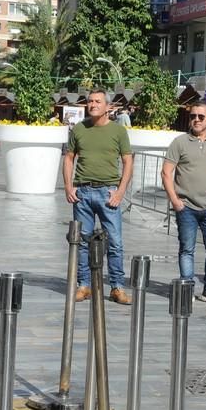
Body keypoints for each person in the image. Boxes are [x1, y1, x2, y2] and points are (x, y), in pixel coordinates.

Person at [63, 89, 134, 305]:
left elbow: (128, 162)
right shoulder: (79, 129)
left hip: (107, 193)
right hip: (82, 193)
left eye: (98, 101)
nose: (93, 104)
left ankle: (117, 287)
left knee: (115, 242)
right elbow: (68, 159)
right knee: (82, 242)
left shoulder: (118, 131)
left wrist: (120, 191)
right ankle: (84, 285)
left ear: (108, 106)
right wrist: (68, 187)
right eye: (90, 101)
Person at [162, 100, 206, 306]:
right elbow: (166, 172)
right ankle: (187, 289)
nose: (196, 120)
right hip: (186, 207)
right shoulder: (180, 142)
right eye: (193, 116)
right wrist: (175, 200)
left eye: (201, 117)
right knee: (186, 250)